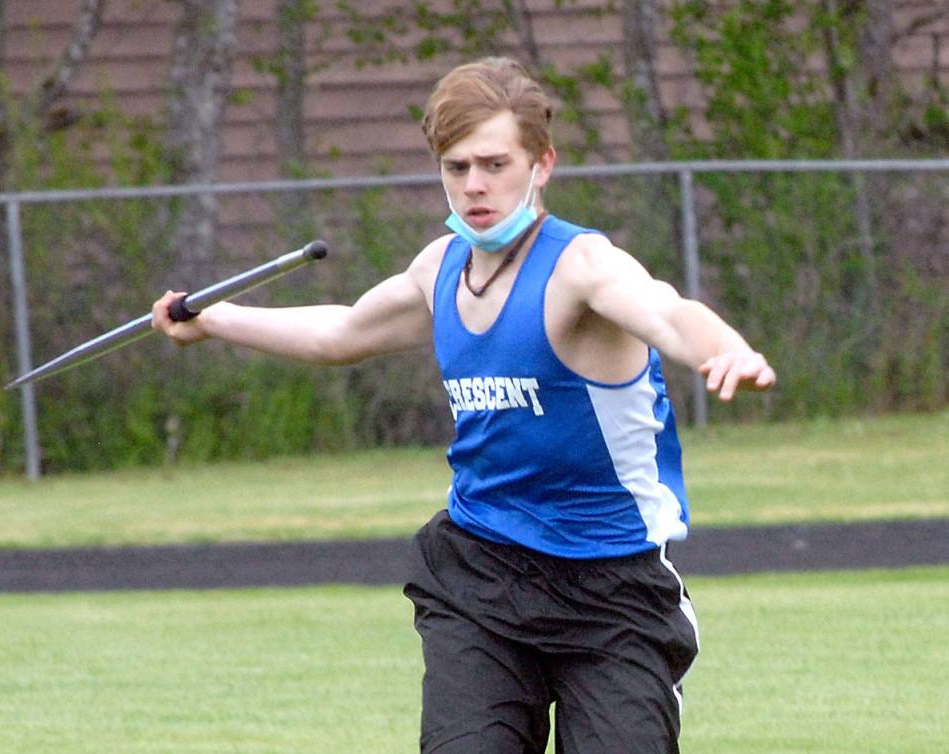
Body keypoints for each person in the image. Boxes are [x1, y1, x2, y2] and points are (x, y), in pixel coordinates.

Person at [152, 57, 776, 754]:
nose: (474, 185)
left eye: (494, 163)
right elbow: (341, 332)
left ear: (542, 163)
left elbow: (667, 311)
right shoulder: (439, 268)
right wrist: (214, 319)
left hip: (613, 591)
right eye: (455, 167)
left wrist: (725, 349)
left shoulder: (581, 268)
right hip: (482, 576)